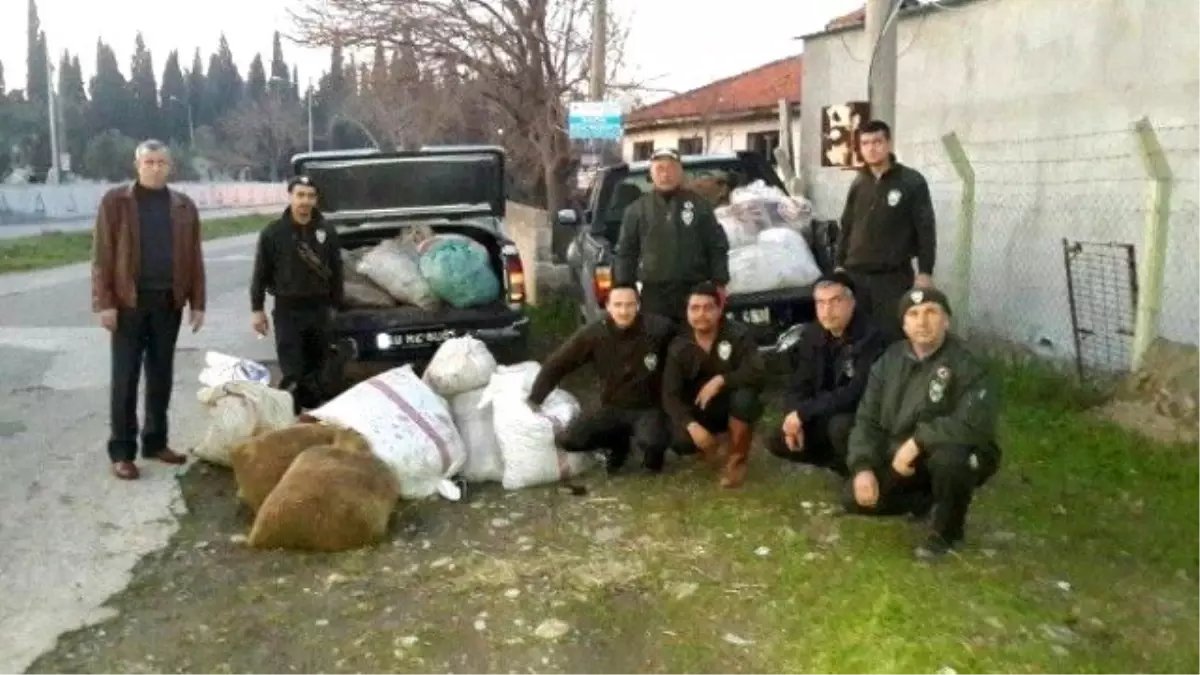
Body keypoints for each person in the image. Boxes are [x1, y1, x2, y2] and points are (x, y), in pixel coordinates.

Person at [843, 287, 1001, 559]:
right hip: (901, 456)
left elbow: (973, 423)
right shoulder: (890, 359)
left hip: (956, 449)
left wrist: (917, 442)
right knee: (854, 499)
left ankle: (947, 532)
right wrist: (862, 467)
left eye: (931, 312)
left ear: (946, 321)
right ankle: (927, 500)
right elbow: (867, 417)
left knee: (951, 460)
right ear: (904, 325)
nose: (922, 321)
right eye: (913, 314)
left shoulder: (968, 363)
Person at [91, 139, 206, 480]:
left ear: (170, 167)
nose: (155, 168)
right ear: (137, 165)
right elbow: (102, 255)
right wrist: (105, 303)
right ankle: (122, 452)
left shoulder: (183, 206)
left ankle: (155, 442)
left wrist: (197, 303)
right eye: (149, 162)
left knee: (161, 376)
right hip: (129, 304)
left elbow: (194, 258)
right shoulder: (116, 202)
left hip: (167, 304)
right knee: (125, 378)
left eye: (161, 162)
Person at [527, 285, 674, 474]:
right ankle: (616, 443)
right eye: (618, 305)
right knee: (570, 439)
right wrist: (536, 398)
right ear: (608, 306)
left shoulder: (659, 329)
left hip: (648, 407)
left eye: (630, 305)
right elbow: (558, 363)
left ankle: (652, 451)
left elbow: (684, 355)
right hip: (611, 406)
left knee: (652, 445)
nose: (623, 311)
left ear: (638, 306)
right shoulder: (594, 333)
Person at [768, 272, 887, 475]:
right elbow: (798, 383)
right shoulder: (812, 334)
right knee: (776, 438)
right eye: (820, 303)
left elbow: (855, 393)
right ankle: (835, 463)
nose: (827, 310)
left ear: (851, 303)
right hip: (822, 411)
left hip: (859, 416)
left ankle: (858, 471)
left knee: (839, 427)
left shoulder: (872, 337)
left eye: (835, 301)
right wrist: (792, 415)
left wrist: (804, 413)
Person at [249, 175, 344, 414]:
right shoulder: (273, 233)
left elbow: (337, 272)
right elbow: (260, 273)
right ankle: (291, 418)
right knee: (292, 371)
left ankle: (312, 417)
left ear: (316, 200)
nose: (305, 201)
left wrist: (336, 307)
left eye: (310, 196)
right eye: (300, 195)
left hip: (319, 310)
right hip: (287, 310)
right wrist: (257, 309)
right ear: (290, 196)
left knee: (318, 370)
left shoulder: (327, 231)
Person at [835, 119, 937, 340]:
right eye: (865, 143)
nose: (871, 148)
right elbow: (847, 226)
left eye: (877, 142)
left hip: (892, 279)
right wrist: (839, 265)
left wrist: (925, 271)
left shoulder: (911, 182)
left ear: (889, 144)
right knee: (856, 338)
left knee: (891, 338)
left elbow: (925, 230)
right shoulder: (859, 182)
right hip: (856, 276)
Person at [661, 283, 766, 488]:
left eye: (708, 307)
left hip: (731, 403)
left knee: (745, 399)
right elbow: (669, 395)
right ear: (687, 312)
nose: (701, 314)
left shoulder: (738, 334)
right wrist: (691, 426)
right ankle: (709, 448)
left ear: (719, 310)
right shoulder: (678, 345)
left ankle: (737, 459)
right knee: (680, 441)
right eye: (695, 308)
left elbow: (758, 371)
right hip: (699, 410)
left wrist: (721, 380)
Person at [613, 148, 730, 324]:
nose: (665, 174)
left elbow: (717, 245)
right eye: (660, 169)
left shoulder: (700, 206)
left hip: (694, 291)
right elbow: (625, 252)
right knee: (656, 341)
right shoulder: (636, 210)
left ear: (680, 172)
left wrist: (720, 282)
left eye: (671, 168)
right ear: (651, 173)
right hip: (654, 295)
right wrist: (624, 286)